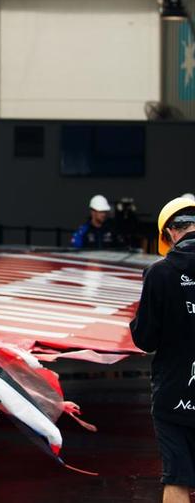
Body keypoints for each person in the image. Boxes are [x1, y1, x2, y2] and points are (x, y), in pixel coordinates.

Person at [131, 196, 195, 503]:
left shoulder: (160, 273)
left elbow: (145, 340)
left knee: (178, 478)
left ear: (168, 233)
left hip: (175, 394)